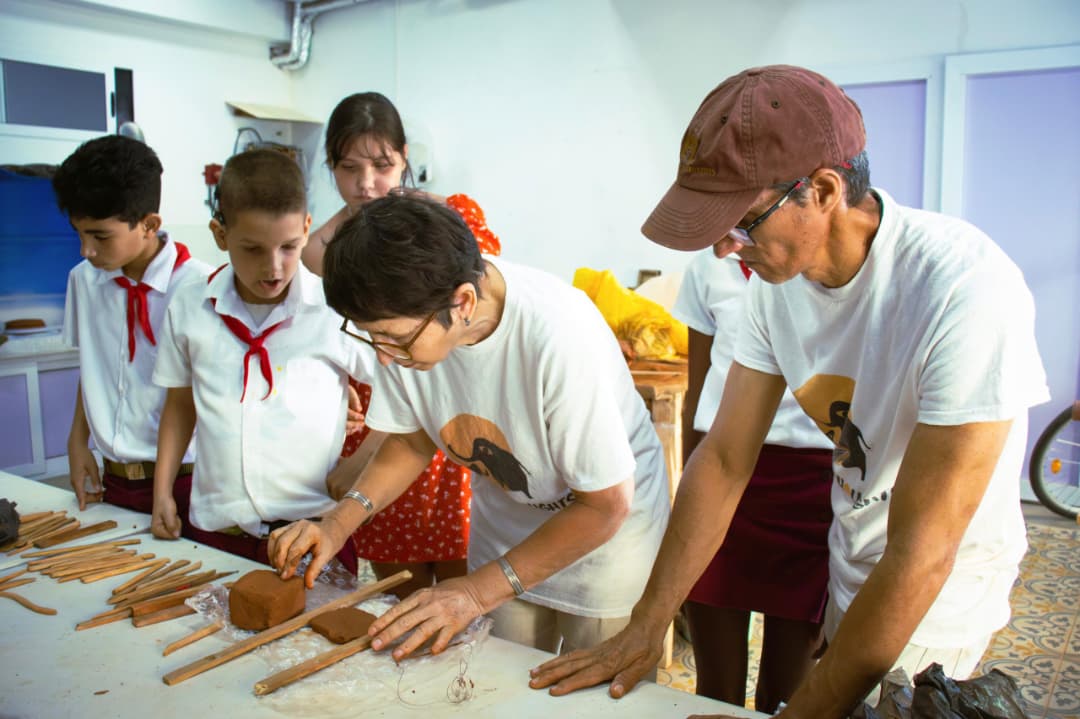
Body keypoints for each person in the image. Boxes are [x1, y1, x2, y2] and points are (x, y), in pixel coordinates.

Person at [529, 64, 1048, 718]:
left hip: (939, 595)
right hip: (856, 554)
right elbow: (722, 460)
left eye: (742, 221)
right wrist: (646, 623)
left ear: (824, 190)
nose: (725, 246)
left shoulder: (962, 290)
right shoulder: (775, 288)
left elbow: (924, 553)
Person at [269, 194, 670, 663]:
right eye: (370, 335)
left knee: (596, 696)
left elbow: (605, 507)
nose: (381, 356)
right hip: (508, 528)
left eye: (394, 338)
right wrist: (339, 522)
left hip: (602, 545)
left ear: (462, 302)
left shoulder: (558, 336)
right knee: (493, 685)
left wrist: (475, 594)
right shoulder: (404, 320)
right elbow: (413, 437)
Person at [302, 91, 501, 599]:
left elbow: (475, 315)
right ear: (330, 166)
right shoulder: (338, 245)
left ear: (406, 157)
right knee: (399, 584)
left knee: (461, 575)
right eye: (348, 168)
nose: (366, 184)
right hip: (380, 409)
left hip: (443, 406)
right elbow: (310, 251)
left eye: (382, 165)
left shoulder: (453, 219)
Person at [150, 149, 372, 571]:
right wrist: (163, 490)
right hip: (217, 532)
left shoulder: (335, 308)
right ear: (220, 234)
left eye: (289, 247)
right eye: (252, 249)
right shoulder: (191, 304)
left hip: (312, 533)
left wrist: (360, 462)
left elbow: (406, 392)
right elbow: (180, 403)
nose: (273, 267)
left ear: (307, 228)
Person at [673, 247, 833, 712]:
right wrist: (688, 497)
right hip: (721, 478)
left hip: (810, 485)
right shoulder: (709, 267)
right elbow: (697, 391)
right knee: (716, 689)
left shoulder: (823, 270)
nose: (724, 233)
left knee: (786, 694)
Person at [52, 135, 211, 516]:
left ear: (149, 224)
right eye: (79, 232)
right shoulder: (84, 280)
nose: (85, 250)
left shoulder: (202, 288)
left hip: (190, 481)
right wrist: (78, 441)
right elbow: (93, 368)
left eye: (100, 236)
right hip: (116, 479)